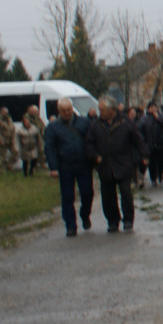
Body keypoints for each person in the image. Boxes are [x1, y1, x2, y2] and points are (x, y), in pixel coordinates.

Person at [85, 98, 149, 233]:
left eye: (102, 110)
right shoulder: (96, 125)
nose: (100, 112)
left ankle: (128, 220)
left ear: (111, 110)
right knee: (108, 196)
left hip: (123, 163)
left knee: (126, 193)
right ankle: (113, 221)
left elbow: (138, 140)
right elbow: (89, 144)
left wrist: (144, 155)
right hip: (105, 165)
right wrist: (95, 156)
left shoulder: (126, 123)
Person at [44, 99, 94, 236]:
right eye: (63, 111)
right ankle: (70, 225)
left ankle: (85, 215)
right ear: (59, 111)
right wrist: (53, 167)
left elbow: (92, 140)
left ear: (72, 109)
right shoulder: (53, 127)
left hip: (83, 164)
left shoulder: (84, 123)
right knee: (67, 197)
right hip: (65, 166)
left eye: (69, 110)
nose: (67, 113)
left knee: (87, 193)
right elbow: (49, 148)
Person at [139, 103, 163, 189]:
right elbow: (141, 129)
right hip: (150, 144)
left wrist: (158, 118)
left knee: (162, 161)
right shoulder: (145, 118)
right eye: (152, 108)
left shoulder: (160, 117)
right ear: (148, 109)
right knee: (152, 163)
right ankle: (153, 178)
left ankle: (160, 175)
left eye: (155, 107)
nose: (153, 109)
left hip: (160, 143)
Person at [15, 112, 40, 177]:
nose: (27, 123)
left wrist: (39, 145)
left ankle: (31, 171)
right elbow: (17, 139)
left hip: (33, 146)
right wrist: (18, 147)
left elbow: (38, 137)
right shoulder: (20, 130)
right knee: (25, 161)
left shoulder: (34, 128)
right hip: (24, 147)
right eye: (26, 122)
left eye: (28, 122)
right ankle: (25, 173)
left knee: (34, 159)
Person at [0, 107, 17, 173]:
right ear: (1, 112)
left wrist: (13, 138)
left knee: (16, 152)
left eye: (7, 112)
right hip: (3, 140)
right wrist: (0, 140)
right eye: (5, 112)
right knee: (2, 156)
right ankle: (2, 169)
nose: (6, 113)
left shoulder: (9, 119)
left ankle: (9, 164)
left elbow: (13, 128)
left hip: (10, 140)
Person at [26, 105, 48, 170]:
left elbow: (42, 125)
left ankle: (42, 163)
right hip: (31, 137)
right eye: (35, 111)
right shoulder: (26, 118)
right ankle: (32, 166)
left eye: (37, 111)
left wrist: (43, 130)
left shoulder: (37, 117)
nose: (36, 113)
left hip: (39, 137)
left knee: (41, 150)